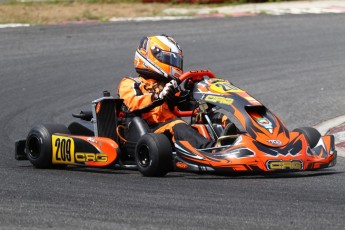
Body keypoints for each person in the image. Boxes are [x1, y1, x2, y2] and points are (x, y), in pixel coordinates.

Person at [117, 35, 215, 149]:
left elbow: (187, 106)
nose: (174, 64)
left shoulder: (168, 86)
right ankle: (210, 150)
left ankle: (234, 143)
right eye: (169, 59)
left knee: (213, 117)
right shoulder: (130, 83)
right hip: (149, 133)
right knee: (178, 125)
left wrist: (198, 95)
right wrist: (158, 96)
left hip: (171, 131)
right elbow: (134, 104)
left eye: (175, 60)